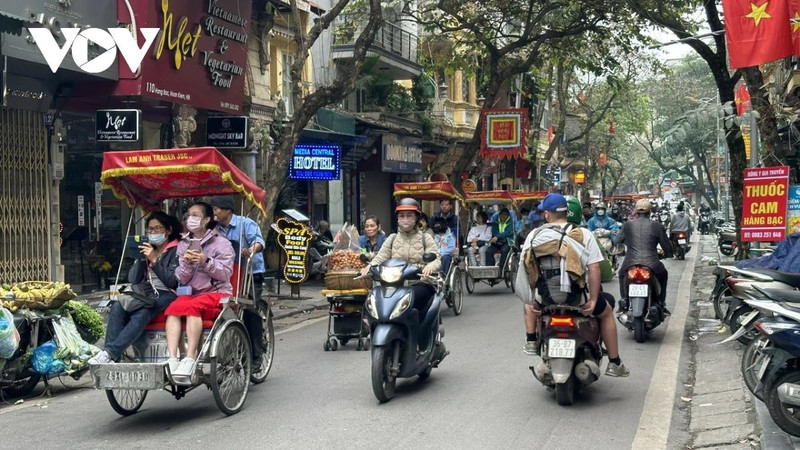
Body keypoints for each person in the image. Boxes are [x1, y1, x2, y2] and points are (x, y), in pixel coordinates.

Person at [521, 193, 629, 377]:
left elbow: (526, 268)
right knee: (607, 311)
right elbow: (594, 268)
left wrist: (532, 301)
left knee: (527, 303)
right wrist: (593, 300)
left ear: (547, 214)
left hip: (545, 300)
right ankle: (614, 362)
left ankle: (531, 339)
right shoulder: (583, 234)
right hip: (578, 300)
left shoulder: (535, 235)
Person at [89, 212, 182, 364]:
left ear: (168, 230)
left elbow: (173, 282)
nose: (153, 233)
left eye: (157, 229)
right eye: (150, 229)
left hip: (168, 293)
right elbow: (134, 279)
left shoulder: (176, 250)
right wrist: (141, 259)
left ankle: (110, 353)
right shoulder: (148, 248)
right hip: (146, 292)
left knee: (142, 313)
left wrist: (154, 260)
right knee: (118, 306)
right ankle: (109, 356)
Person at [164, 202, 235, 377]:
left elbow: (226, 273)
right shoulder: (183, 244)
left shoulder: (222, 243)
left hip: (217, 292)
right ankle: (173, 357)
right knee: (173, 309)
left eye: (195, 215)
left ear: (207, 219)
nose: (190, 219)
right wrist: (187, 265)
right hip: (192, 293)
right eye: (188, 215)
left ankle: (190, 356)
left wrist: (206, 261)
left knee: (191, 308)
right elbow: (181, 277)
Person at [209, 195, 267, 370]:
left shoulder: (245, 223)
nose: (214, 213)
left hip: (250, 274)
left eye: (216, 209)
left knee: (249, 309)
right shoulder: (214, 228)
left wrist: (250, 250)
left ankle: (256, 354)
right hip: (224, 276)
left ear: (226, 210)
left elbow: (258, 242)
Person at [361, 198, 441, 313]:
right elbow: (381, 256)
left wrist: (429, 267)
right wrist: (369, 266)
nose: (405, 220)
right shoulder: (392, 238)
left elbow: (436, 259)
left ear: (416, 218)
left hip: (419, 282)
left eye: (409, 216)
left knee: (412, 299)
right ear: (397, 219)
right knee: (374, 301)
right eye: (402, 216)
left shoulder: (425, 238)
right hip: (393, 284)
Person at [617, 199, 673, 315]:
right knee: (663, 275)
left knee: (621, 275)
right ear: (649, 212)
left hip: (630, 262)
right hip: (652, 263)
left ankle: (624, 302)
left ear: (636, 212)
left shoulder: (627, 225)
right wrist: (668, 254)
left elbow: (617, 240)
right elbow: (666, 246)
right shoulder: (657, 226)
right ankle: (661, 303)